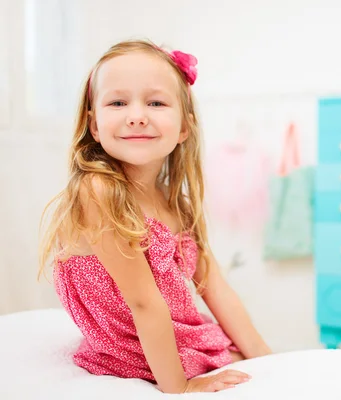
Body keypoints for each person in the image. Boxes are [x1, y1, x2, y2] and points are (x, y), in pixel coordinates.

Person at [38, 39, 272, 394]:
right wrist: (179, 389)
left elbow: (215, 286)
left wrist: (267, 359)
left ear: (183, 128)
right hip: (132, 351)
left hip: (175, 338)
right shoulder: (99, 192)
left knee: (251, 367)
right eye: (117, 102)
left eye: (156, 102)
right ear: (95, 125)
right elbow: (144, 303)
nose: (136, 115)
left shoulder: (173, 201)